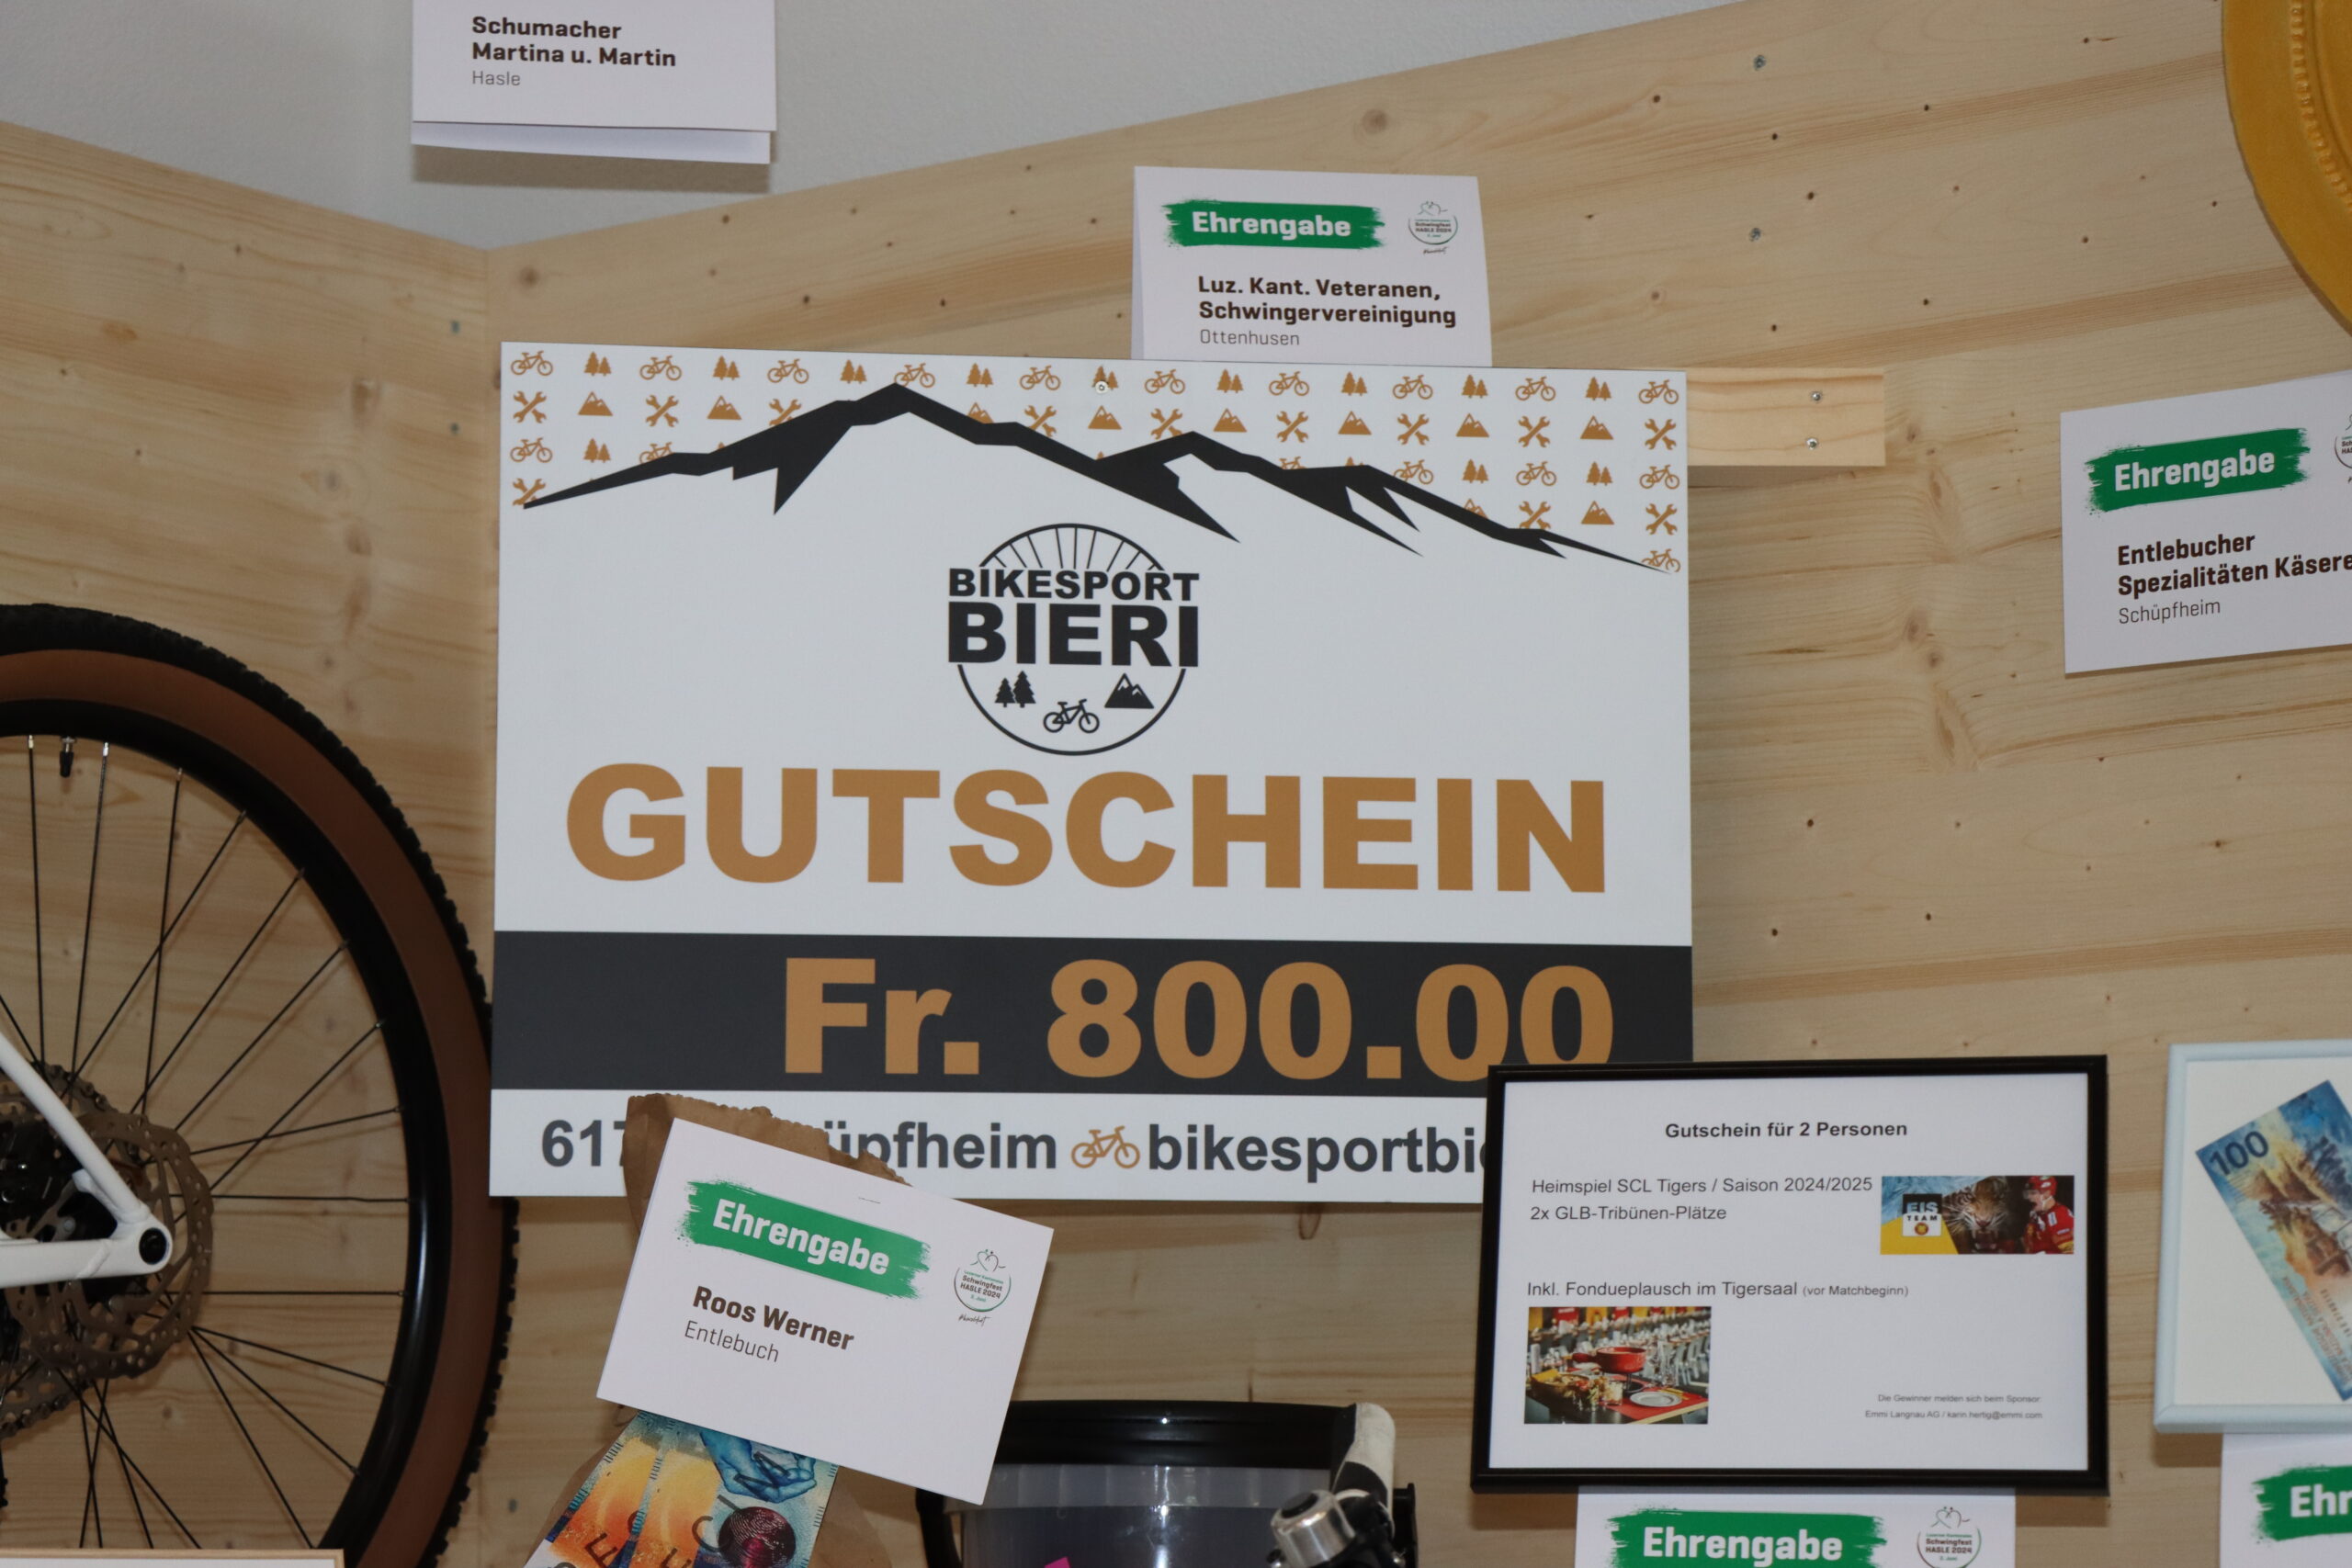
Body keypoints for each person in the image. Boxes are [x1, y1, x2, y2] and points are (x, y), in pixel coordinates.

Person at [2024, 1176, 2075, 1254]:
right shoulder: (2036, 1215)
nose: (2029, 1197)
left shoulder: (2060, 1215)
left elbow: (2069, 1254)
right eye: (2027, 1194)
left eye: (2033, 1193)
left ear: (2047, 1193)